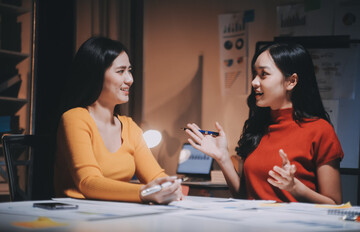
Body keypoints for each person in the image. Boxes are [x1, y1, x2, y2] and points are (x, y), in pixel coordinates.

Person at [185, 43, 344, 204]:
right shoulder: (258, 128)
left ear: (291, 81)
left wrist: (295, 187)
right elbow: (243, 197)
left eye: (263, 74)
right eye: (255, 74)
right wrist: (223, 158)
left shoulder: (320, 130)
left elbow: (335, 204)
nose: (254, 82)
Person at [54, 36, 182, 204]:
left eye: (129, 70)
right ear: (95, 75)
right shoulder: (74, 118)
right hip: (76, 216)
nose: (130, 79)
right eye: (121, 71)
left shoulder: (130, 127)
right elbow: (88, 183)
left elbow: (156, 176)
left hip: (117, 213)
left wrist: (170, 186)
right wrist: (144, 191)